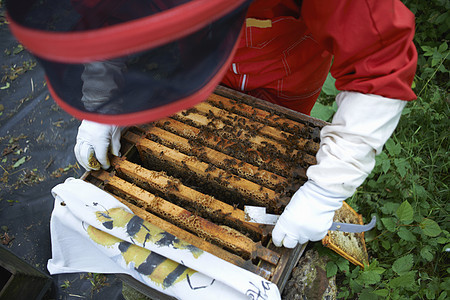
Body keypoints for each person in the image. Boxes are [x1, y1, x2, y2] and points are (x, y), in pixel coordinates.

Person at [8, 0, 417, 249]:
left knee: (277, 152)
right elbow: (107, 17)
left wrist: (328, 188)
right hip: (196, 67)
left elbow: (378, 63)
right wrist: (104, 104)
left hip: (286, 71)